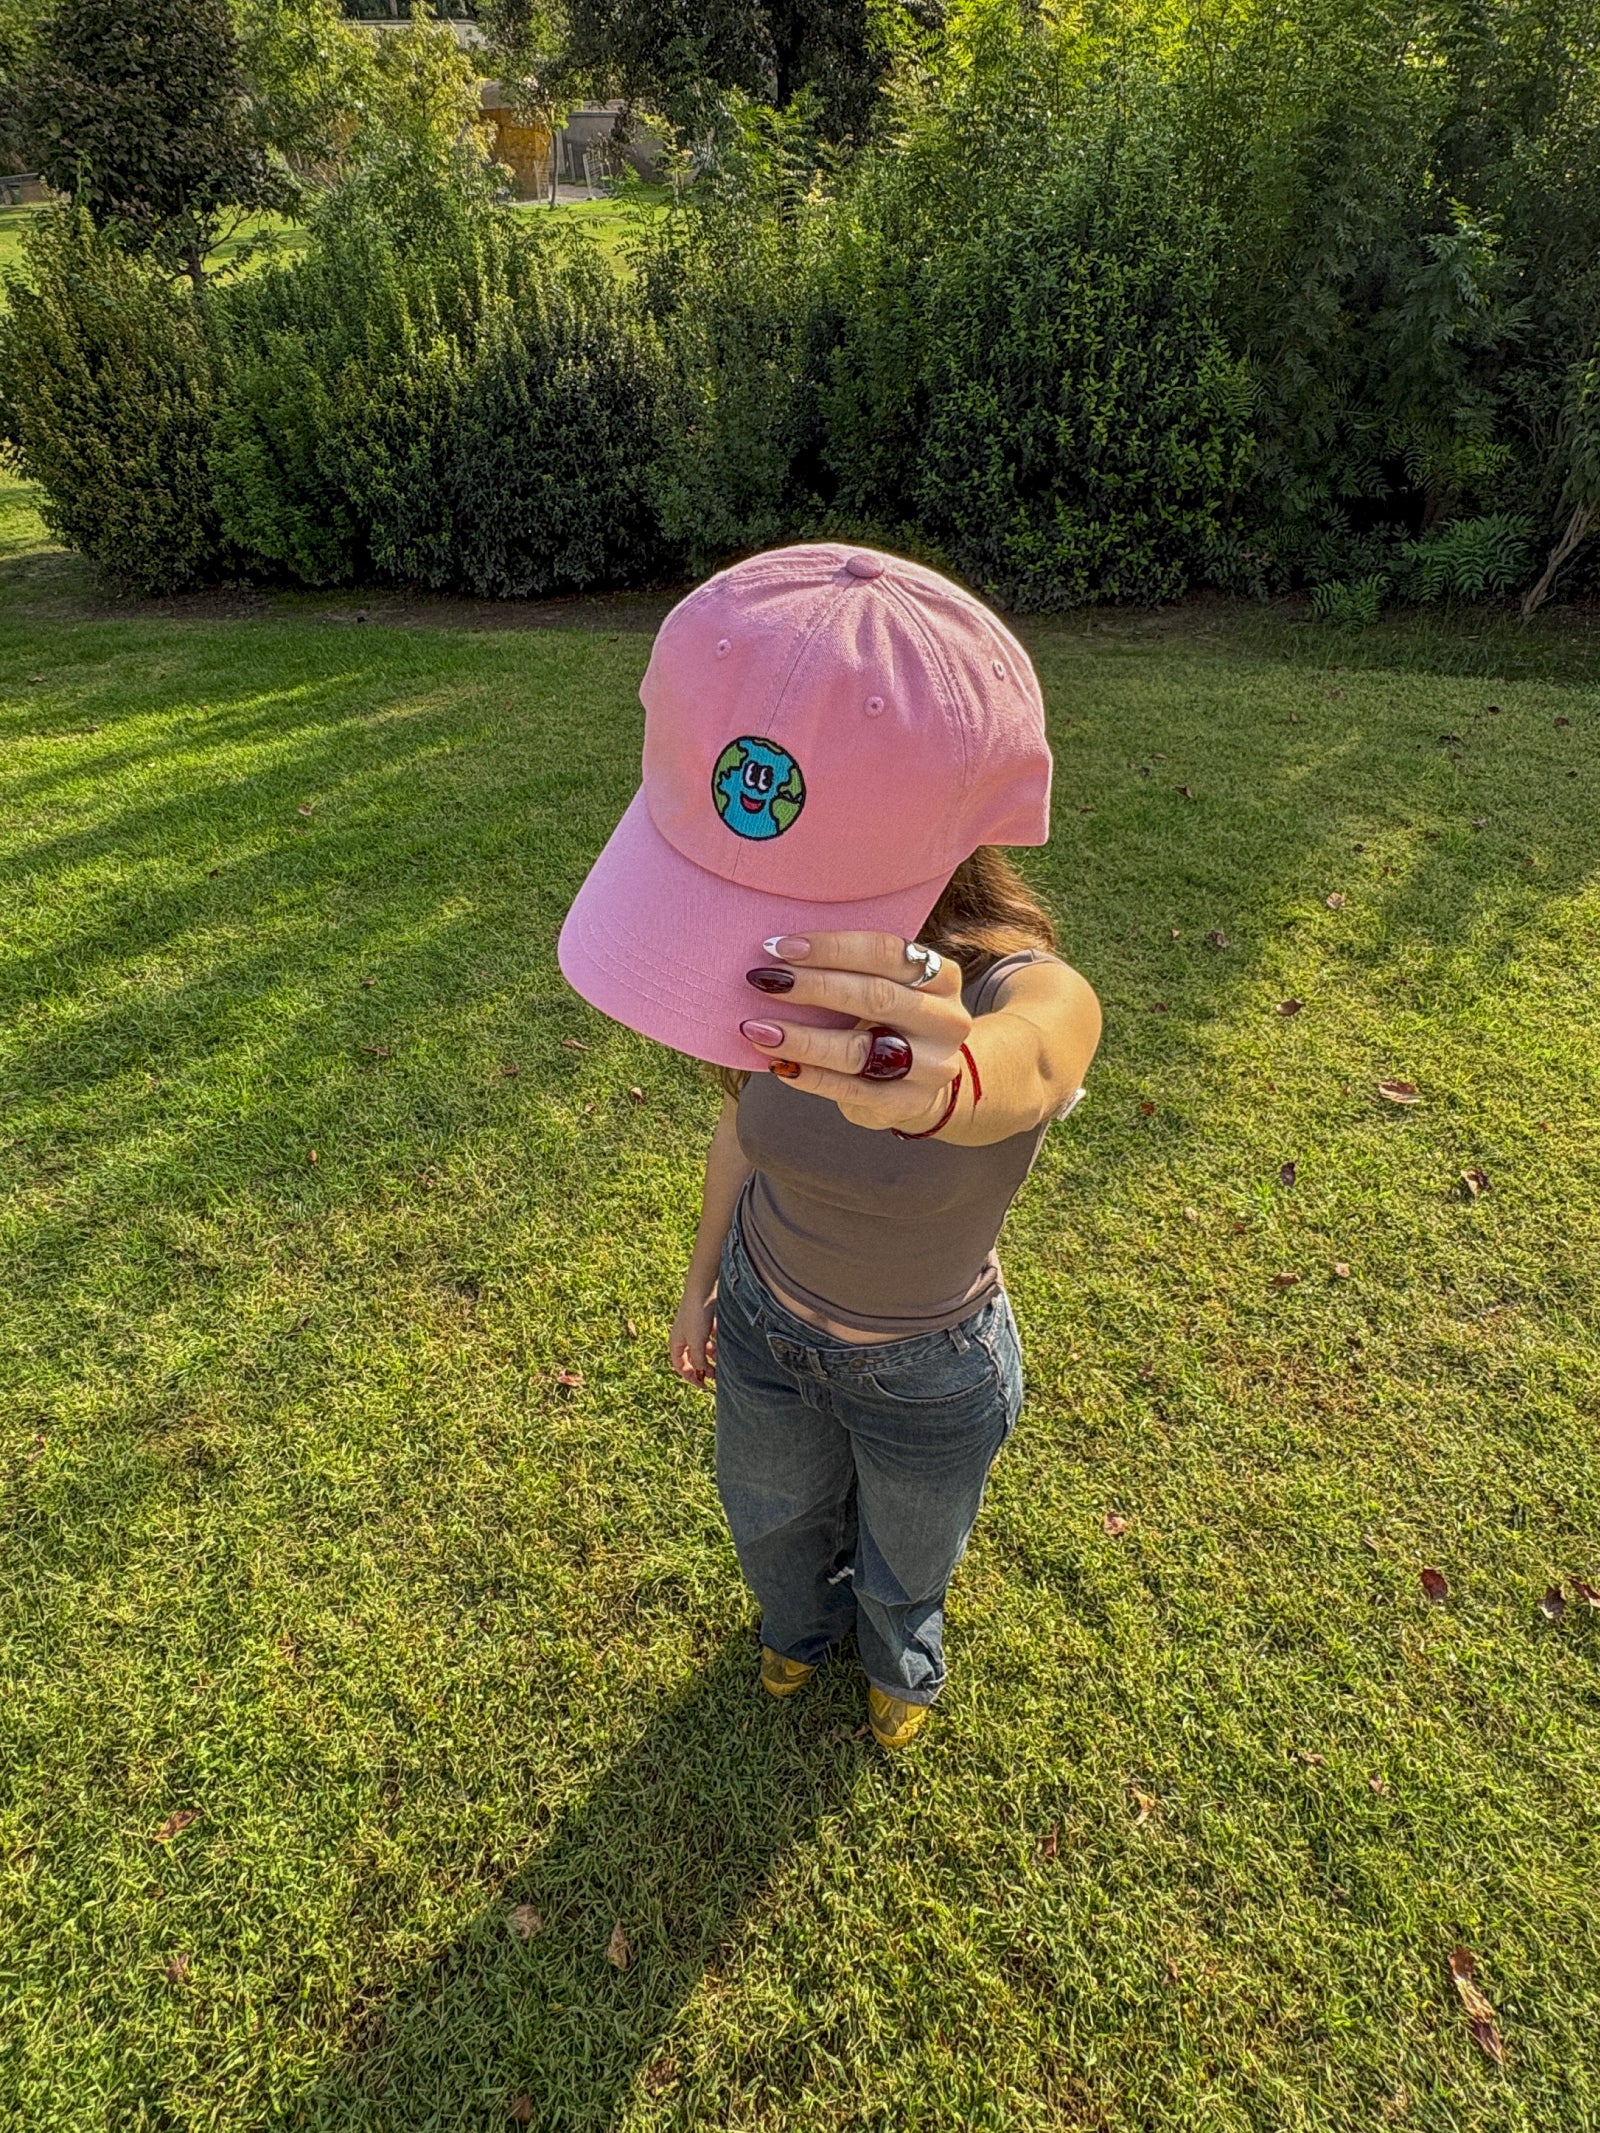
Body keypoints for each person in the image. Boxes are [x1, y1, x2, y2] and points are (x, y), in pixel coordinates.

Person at [559, 545, 1102, 1748]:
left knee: (910, 1553)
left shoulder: (1018, 985)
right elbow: (740, 1131)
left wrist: (941, 1080)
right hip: (762, 1322)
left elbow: (1045, 1054)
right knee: (769, 1519)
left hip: (929, 1369)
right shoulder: (750, 995)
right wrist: (702, 1283)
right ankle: (794, 1628)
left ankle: (898, 1657)